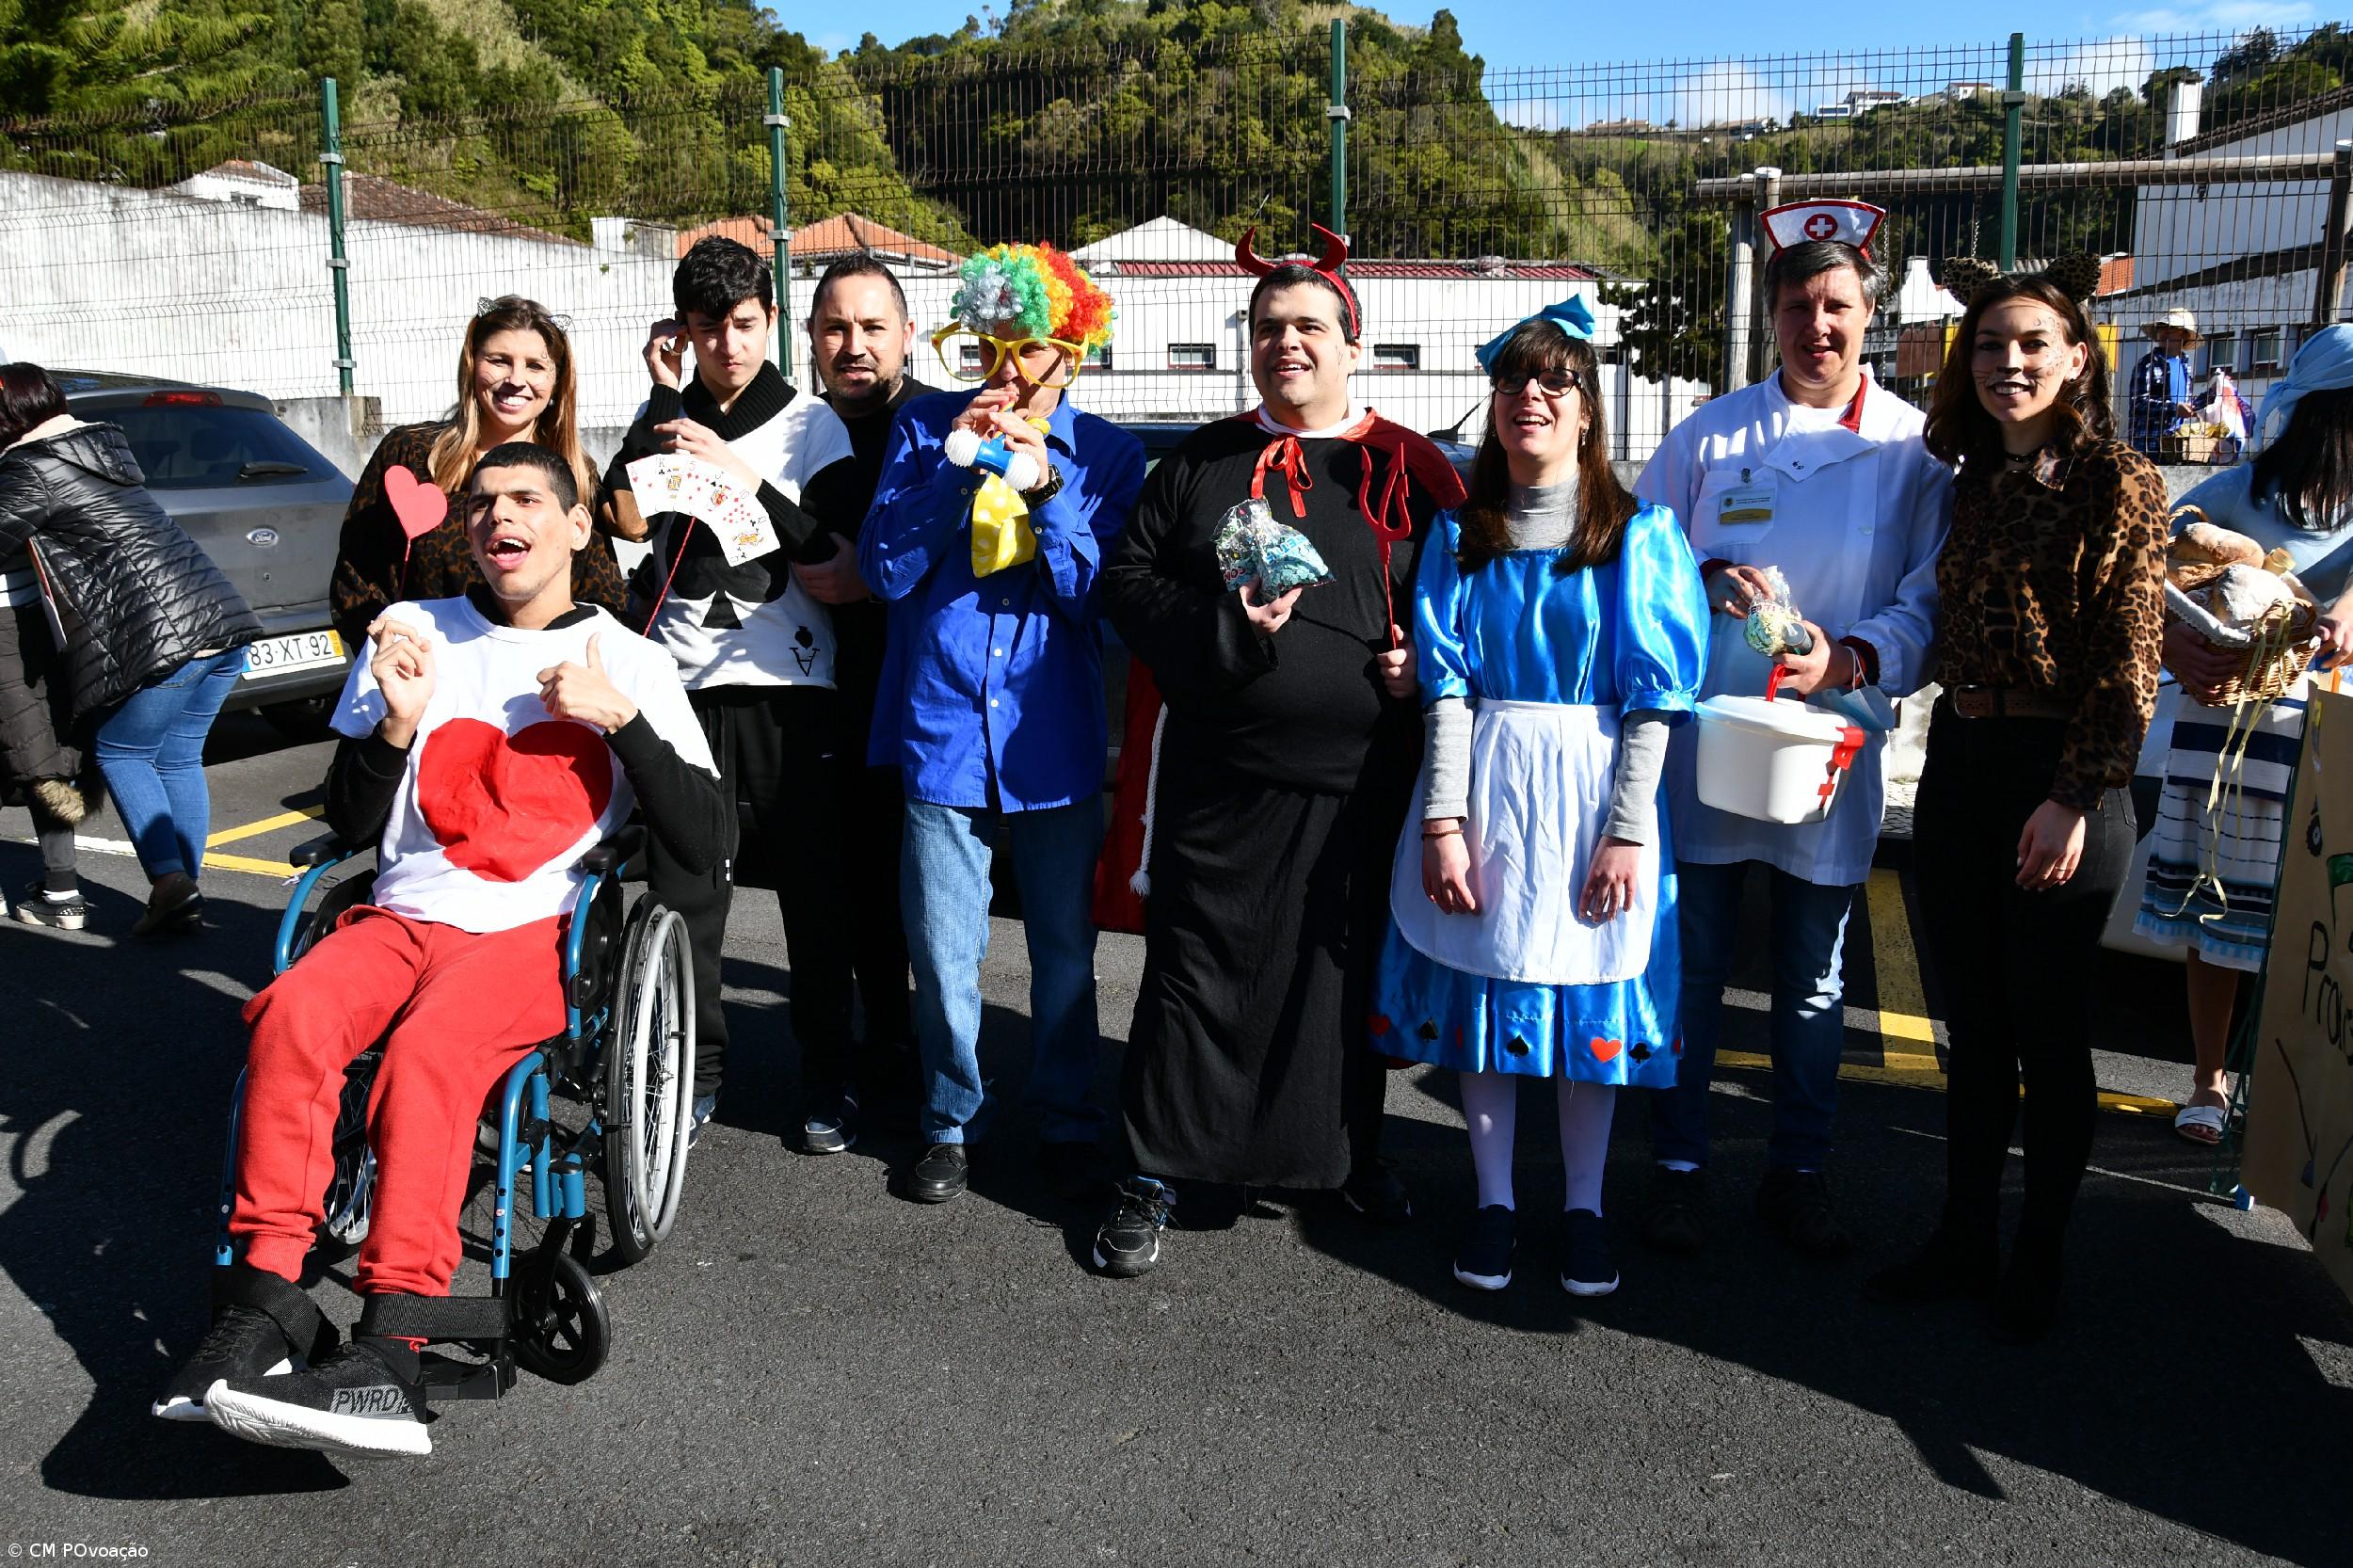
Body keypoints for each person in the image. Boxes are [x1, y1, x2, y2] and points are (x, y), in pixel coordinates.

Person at [154, 442, 724, 1458]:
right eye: (482, 504)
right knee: (290, 1015)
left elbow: (706, 838)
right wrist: (394, 728)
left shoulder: (629, 660)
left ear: (578, 527)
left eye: (526, 501)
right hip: (398, 914)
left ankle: (396, 1340)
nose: (498, 517)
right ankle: (266, 1303)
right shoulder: (421, 635)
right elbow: (348, 817)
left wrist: (623, 724)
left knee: (427, 1060)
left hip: (526, 933)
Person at [1090, 227, 1463, 1278]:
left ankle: (1341, 1157)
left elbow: (1466, 612)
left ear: (1355, 344)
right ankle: (1155, 1168)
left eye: (1307, 327)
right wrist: (1224, 627)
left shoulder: (1417, 469)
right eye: (1266, 329)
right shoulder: (1200, 461)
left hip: (1361, 784)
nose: (1284, 344)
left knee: (1337, 983)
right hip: (1220, 774)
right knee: (1193, 973)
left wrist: (1420, 673)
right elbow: (1126, 585)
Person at [1631, 203, 1950, 1259]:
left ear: (1870, 314)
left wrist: (1853, 659)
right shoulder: (1708, 435)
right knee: (1693, 962)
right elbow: (1642, 562)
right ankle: (1677, 1165)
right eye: (1799, 306)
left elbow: (1927, 597)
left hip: (1834, 741)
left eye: (1838, 307)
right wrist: (1705, 576)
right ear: (1771, 315)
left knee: (1814, 975)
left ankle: (1797, 1169)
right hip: (1712, 742)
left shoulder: (1912, 450)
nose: (1819, 326)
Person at [1372, 304, 1707, 1296]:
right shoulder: (1458, 537)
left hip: (1591, 790)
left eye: (1556, 381)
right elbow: (1446, 689)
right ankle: (1492, 1201)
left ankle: (1583, 1208)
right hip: (1487, 786)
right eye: (1516, 379)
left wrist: (1627, 831)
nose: (1533, 397)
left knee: (1586, 992)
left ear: (1589, 411)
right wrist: (1440, 821)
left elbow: (1655, 699)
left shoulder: (1638, 537)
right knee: (1488, 989)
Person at [1870, 259, 2168, 1343]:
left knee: (2048, 1030)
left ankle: (2036, 1251)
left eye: (2033, 343)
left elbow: (2128, 662)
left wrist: (2076, 794)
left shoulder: (2116, 481)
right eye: (1990, 345)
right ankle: (1963, 1235)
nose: (2009, 363)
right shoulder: (1966, 482)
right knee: (1975, 1028)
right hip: (1964, 754)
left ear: (2077, 357)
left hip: (2059, 772)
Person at [858, 242, 1143, 1206]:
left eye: (1029, 350)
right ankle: (950, 1119)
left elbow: (1096, 604)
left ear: (1076, 351)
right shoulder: (922, 428)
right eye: (988, 346)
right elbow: (883, 573)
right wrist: (948, 475)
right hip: (939, 726)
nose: (1006, 370)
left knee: (1065, 948)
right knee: (942, 949)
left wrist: (1049, 489)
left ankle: (1066, 1113)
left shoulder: (1111, 454)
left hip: (1049, 739)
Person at [600, 235, 859, 1147]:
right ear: (684, 332)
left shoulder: (809, 427)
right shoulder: (666, 411)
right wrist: (662, 397)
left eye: (744, 326)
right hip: (682, 691)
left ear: (771, 321)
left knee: (815, 902)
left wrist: (741, 472)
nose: (730, 347)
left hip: (793, 690)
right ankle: (694, 1068)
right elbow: (620, 515)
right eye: (709, 331)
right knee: (685, 894)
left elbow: (832, 549)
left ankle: (829, 1075)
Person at [2134, 325, 2353, 1144]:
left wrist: (2341, 610)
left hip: (2328, 734)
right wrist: (2182, 627)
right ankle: (2209, 1080)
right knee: (2218, 913)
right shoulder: (2241, 490)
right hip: (2232, 728)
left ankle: (2291, 1087)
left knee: (2312, 924)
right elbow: (2151, 558)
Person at [0, 362, 262, 936]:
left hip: (166, 638)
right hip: (221, 618)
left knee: (121, 753)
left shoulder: (31, 467)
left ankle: (170, 883)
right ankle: (183, 891)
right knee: (177, 757)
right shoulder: (96, 448)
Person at [792, 253, 943, 1137]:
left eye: (872, 326)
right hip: (815, 693)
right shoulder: (798, 430)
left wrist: (877, 582)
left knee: (906, 892)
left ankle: (903, 1055)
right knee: (834, 888)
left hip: (914, 696)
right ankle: (840, 1065)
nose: (854, 344)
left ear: (907, 335)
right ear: (811, 340)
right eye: (835, 328)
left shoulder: (935, 428)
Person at [329, 296, 626, 649]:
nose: (516, 380)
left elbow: (600, 593)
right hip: (419, 673)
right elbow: (356, 573)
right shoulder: (410, 454)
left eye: (534, 366)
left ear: (557, 381)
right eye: (499, 361)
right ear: (472, 365)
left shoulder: (573, 470)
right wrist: (381, 641)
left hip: (535, 684)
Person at [2128, 308, 2202, 459]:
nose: (2164, 332)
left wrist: (2210, 398)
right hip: (2150, 447)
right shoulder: (2147, 364)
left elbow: (2185, 403)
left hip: (2178, 445)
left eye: (2171, 329)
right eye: (2162, 328)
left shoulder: (2185, 365)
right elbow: (2138, 403)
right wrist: (2174, 409)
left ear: (2184, 335)